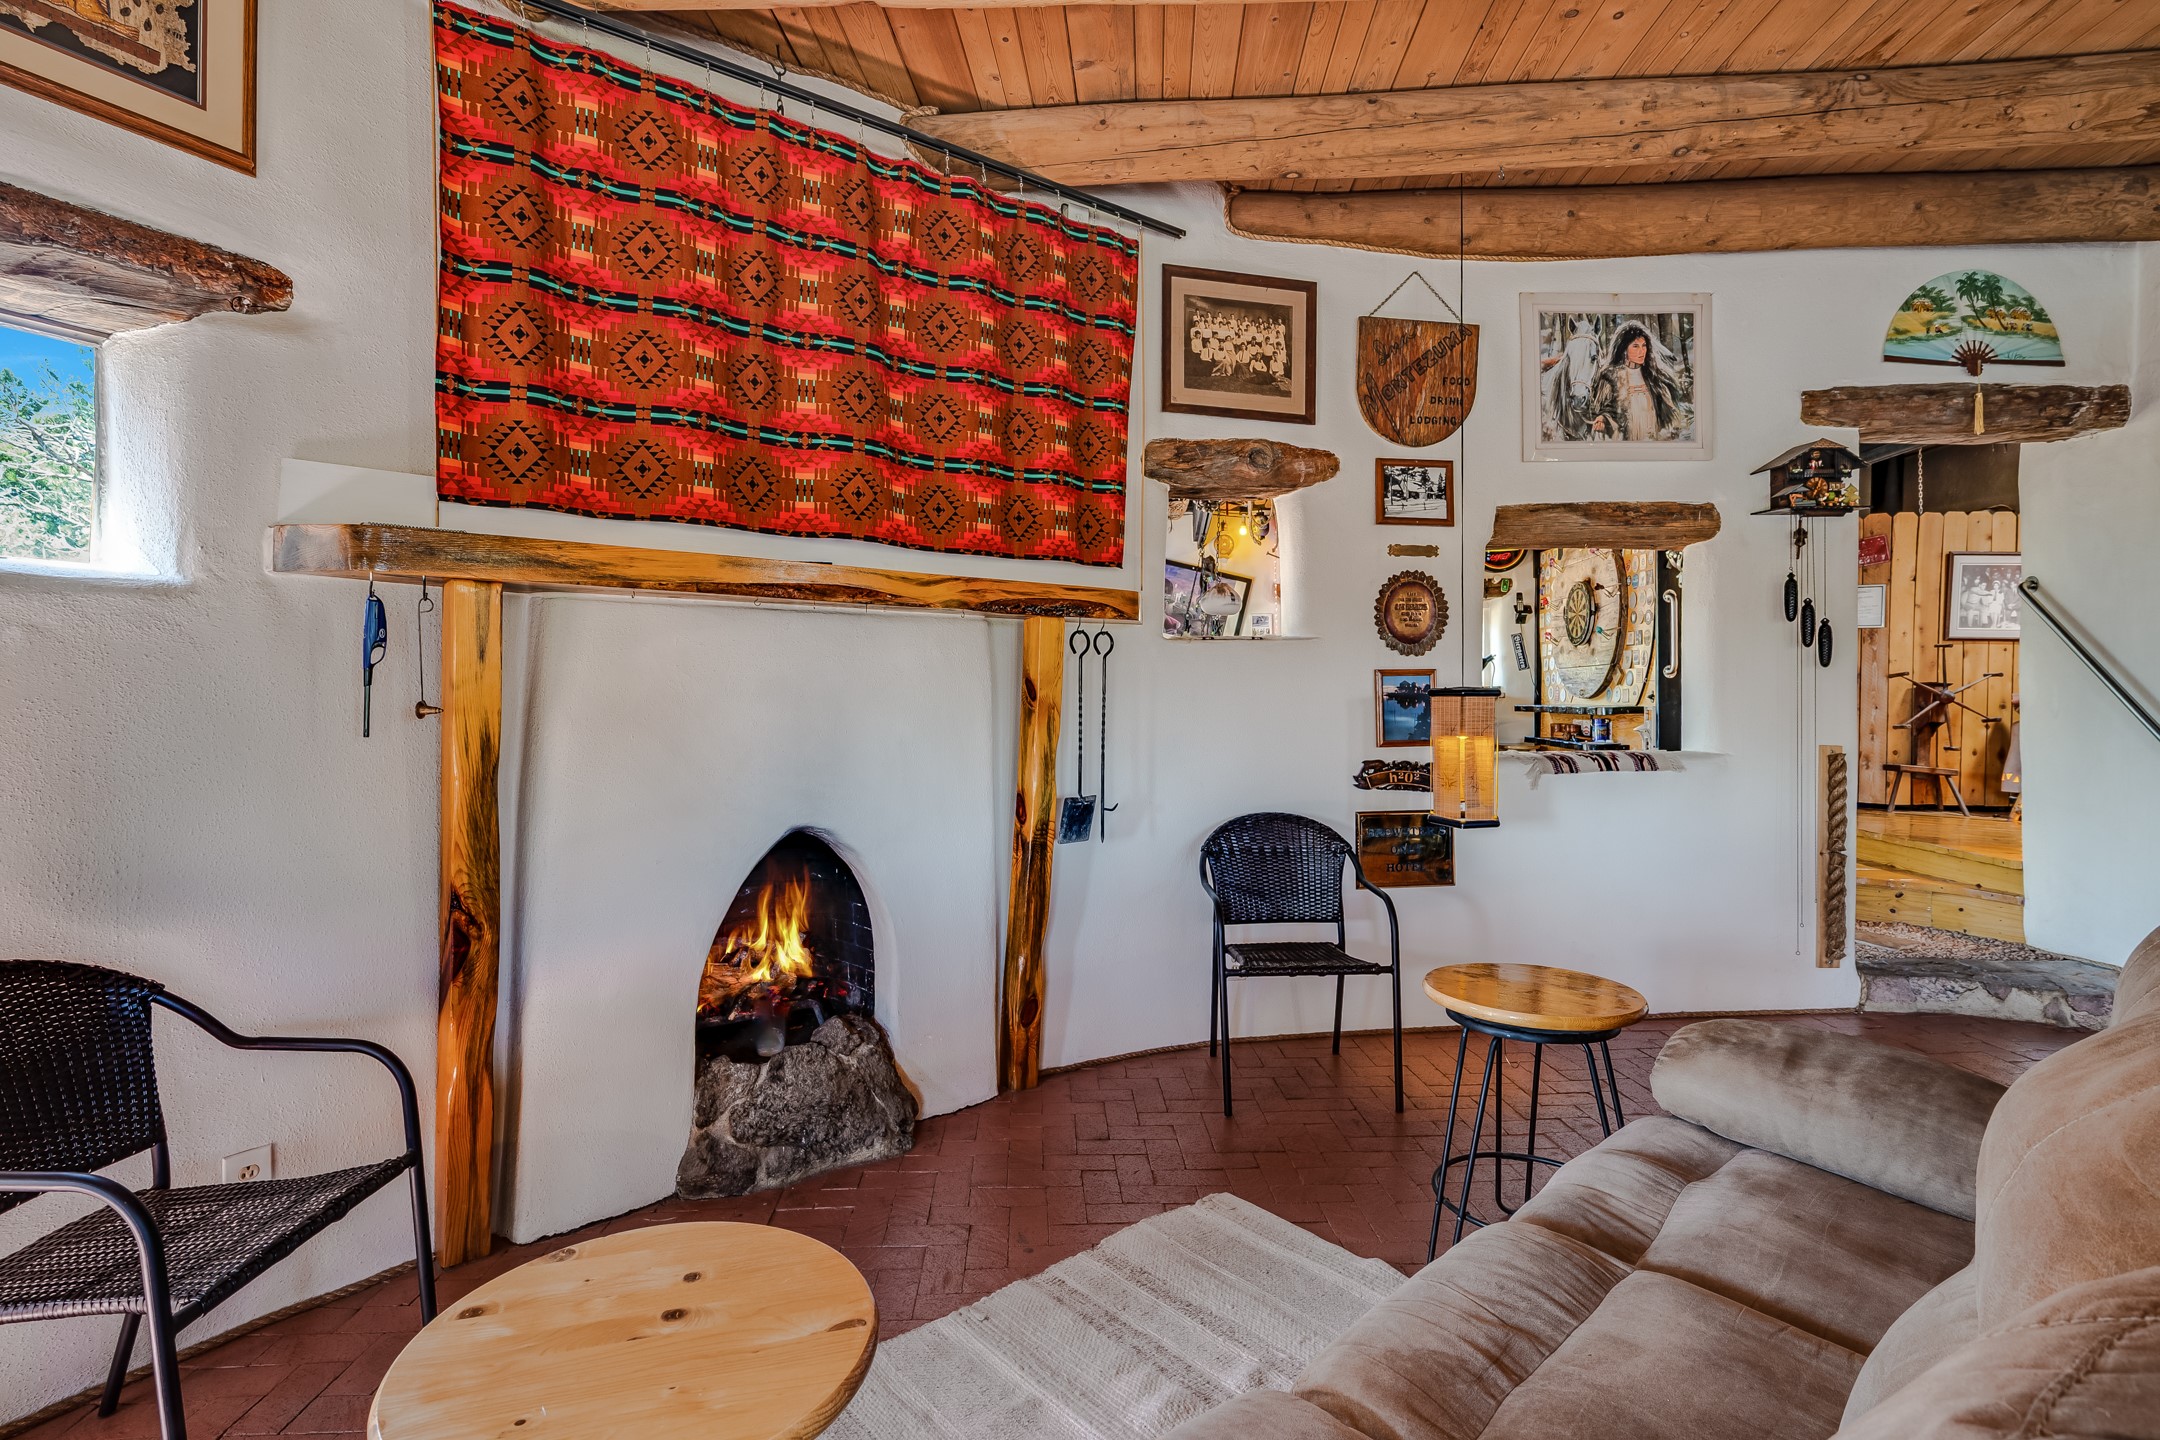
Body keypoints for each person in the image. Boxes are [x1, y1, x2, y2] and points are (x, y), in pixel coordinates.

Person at [1586, 323, 1686, 442]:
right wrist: (1602, 419)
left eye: (1644, 346)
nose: (1641, 351)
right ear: (1624, 349)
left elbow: (1669, 413)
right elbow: (1606, 409)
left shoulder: (1654, 376)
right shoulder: (1610, 376)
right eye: (1635, 346)